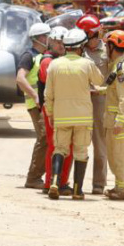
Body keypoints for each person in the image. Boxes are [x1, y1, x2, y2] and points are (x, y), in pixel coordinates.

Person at [44, 28, 105, 200]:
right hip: (83, 117)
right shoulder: (87, 64)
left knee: (60, 149)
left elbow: (48, 94)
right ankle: (78, 191)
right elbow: (99, 80)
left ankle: (55, 182)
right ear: (80, 47)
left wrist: (50, 113)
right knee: (81, 151)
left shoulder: (54, 65)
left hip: (62, 115)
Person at [102, 30, 124, 200]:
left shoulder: (122, 69)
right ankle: (119, 186)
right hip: (114, 121)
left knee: (121, 156)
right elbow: (114, 93)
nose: (105, 49)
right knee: (114, 156)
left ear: (111, 46)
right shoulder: (116, 66)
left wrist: (120, 121)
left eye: (106, 46)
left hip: (119, 123)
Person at [78, 14, 110, 195]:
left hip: (99, 102)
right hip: (80, 101)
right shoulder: (77, 50)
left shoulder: (107, 51)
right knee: (78, 143)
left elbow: (114, 75)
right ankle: (74, 183)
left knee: (99, 143)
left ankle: (99, 184)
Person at [39, 26, 72, 196]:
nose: (61, 45)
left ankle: (58, 181)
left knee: (61, 145)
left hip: (60, 107)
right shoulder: (48, 61)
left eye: (63, 42)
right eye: (58, 42)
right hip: (53, 108)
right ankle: (54, 182)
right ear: (51, 41)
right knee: (56, 146)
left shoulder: (58, 60)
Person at [17, 22, 51, 189]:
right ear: (39, 38)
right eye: (46, 36)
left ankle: (41, 175)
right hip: (35, 104)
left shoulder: (44, 56)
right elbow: (20, 78)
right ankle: (33, 177)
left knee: (46, 138)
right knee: (44, 137)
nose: (49, 38)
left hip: (43, 103)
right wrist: (35, 95)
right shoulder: (28, 55)